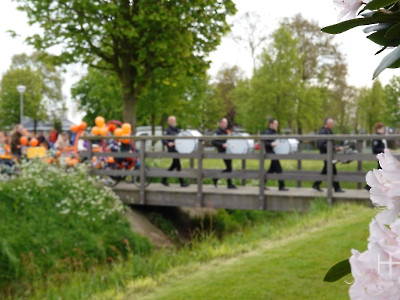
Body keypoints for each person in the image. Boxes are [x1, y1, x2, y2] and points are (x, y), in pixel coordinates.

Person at [312, 117, 344, 193]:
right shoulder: (323, 132)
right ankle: (337, 188)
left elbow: (331, 142)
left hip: (329, 154)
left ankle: (316, 184)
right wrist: (334, 148)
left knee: (326, 170)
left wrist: (336, 147)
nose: (332, 125)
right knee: (333, 170)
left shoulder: (329, 131)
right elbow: (322, 144)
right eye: (331, 123)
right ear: (326, 123)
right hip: (326, 154)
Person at [161, 116, 189, 187]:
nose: (173, 122)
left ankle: (163, 179)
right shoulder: (167, 130)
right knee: (178, 165)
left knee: (174, 165)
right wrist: (168, 143)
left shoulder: (177, 130)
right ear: (169, 122)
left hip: (177, 149)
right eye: (171, 121)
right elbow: (163, 140)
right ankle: (182, 182)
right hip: (172, 150)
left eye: (174, 120)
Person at [263, 118, 288, 191]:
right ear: (271, 124)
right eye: (275, 124)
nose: (277, 125)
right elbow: (264, 143)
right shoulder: (267, 132)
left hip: (275, 152)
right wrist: (271, 144)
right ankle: (281, 186)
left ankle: (262, 183)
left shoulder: (274, 132)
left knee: (271, 170)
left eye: (277, 124)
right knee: (279, 169)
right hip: (271, 153)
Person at [211, 117, 237, 189]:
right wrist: (222, 144)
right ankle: (228, 183)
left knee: (229, 168)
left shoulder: (226, 131)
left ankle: (217, 178)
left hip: (228, 151)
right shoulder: (218, 132)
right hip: (223, 151)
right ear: (221, 123)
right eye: (225, 123)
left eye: (227, 123)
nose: (226, 124)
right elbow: (213, 141)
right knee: (229, 168)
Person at [365, 122, 386, 190]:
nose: (383, 130)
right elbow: (375, 149)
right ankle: (369, 186)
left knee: (380, 172)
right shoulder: (377, 137)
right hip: (379, 157)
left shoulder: (380, 136)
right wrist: (383, 150)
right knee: (379, 172)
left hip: (382, 157)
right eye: (382, 129)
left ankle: (369, 186)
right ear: (378, 129)